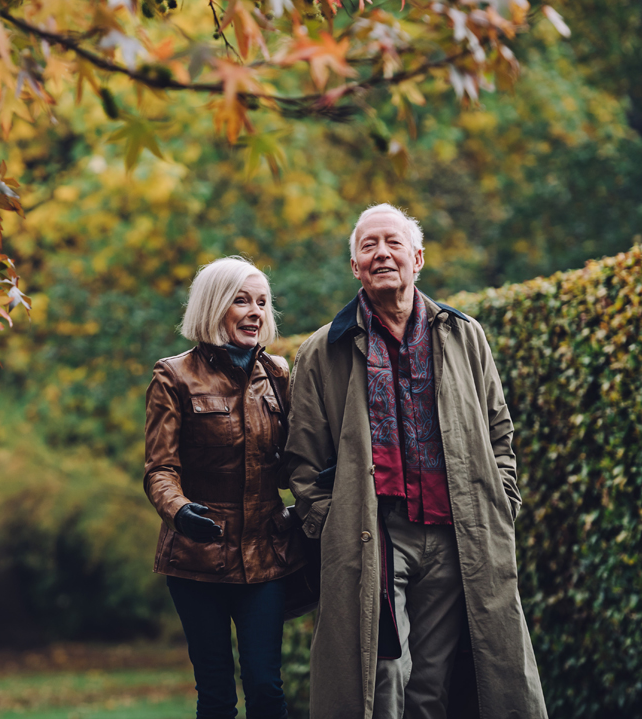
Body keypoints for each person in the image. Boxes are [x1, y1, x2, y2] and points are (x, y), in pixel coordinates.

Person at [284, 205, 548, 719]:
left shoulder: (464, 334)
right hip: (375, 533)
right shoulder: (324, 349)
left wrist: (501, 503)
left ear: (417, 257)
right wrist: (330, 524)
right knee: (382, 675)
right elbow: (302, 459)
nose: (382, 253)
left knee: (433, 682)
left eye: (393, 243)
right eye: (368, 246)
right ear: (355, 267)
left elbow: (500, 430)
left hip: (458, 532)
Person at [144, 256, 304, 719]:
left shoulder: (277, 373)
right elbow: (159, 469)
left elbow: (289, 464)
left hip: (265, 556)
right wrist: (179, 511)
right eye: (241, 300)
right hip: (197, 558)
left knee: (266, 688)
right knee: (215, 695)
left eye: (261, 301)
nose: (255, 311)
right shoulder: (173, 376)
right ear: (214, 306)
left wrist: (326, 478)